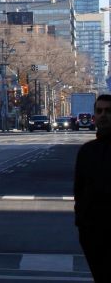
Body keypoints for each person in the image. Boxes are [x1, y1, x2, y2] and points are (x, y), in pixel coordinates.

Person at [74, 94, 111, 281]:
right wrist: (82, 222)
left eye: (108, 111)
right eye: (99, 111)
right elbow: (79, 190)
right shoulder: (87, 151)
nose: (103, 115)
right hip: (93, 232)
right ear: (94, 116)